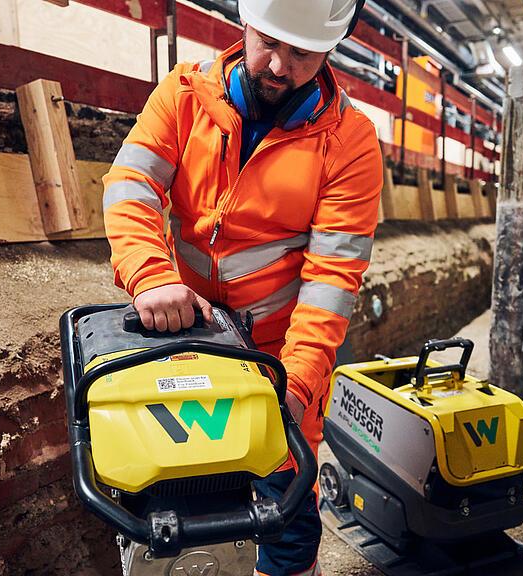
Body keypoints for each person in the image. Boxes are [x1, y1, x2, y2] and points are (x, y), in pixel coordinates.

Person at [101, 0, 383, 573]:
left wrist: (297, 387)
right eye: (270, 44)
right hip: (180, 340)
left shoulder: (349, 143)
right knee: (177, 509)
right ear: (245, 25)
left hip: (279, 358)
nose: (279, 66)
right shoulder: (182, 97)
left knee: (287, 519)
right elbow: (130, 186)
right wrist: (152, 277)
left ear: (330, 50)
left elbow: (330, 282)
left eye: (302, 54)